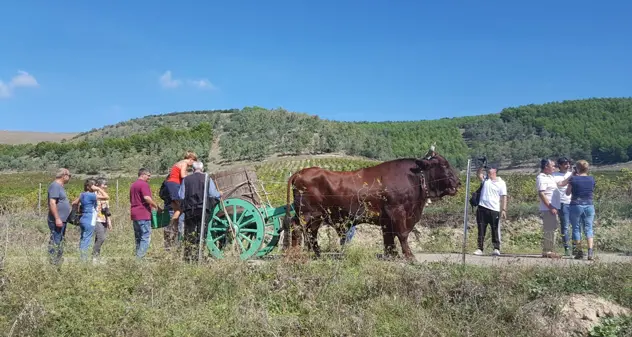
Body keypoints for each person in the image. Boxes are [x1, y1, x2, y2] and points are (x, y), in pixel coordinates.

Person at [177, 161, 221, 262]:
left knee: (189, 232)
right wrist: (220, 194)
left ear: (192, 169)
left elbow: (181, 196)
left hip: (189, 210)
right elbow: (213, 194)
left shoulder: (186, 179)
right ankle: (199, 256)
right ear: (202, 169)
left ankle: (188, 257)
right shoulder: (206, 178)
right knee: (201, 232)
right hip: (202, 209)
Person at [163, 151, 197, 250]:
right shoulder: (184, 163)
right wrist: (192, 177)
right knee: (181, 208)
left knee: (176, 209)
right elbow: (182, 175)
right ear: (191, 159)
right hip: (174, 185)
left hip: (170, 185)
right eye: (193, 163)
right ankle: (171, 224)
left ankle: (172, 225)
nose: (192, 165)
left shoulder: (179, 163)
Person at [473, 162, 508, 256]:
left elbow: (504, 196)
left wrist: (503, 209)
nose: (489, 170)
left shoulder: (501, 183)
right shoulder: (485, 180)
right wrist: (481, 166)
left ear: (495, 171)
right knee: (481, 229)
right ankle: (480, 248)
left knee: (495, 229)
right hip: (482, 208)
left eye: (491, 169)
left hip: (494, 209)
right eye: (488, 169)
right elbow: (478, 174)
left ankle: (496, 248)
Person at [566, 160, 596, 260]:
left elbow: (567, 193)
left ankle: (579, 251)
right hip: (589, 204)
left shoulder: (573, 179)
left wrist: (573, 177)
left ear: (577, 168)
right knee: (589, 228)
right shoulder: (591, 179)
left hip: (576, 204)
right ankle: (590, 251)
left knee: (576, 228)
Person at [74, 178, 109, 262]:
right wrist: (99, 189)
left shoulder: (82, 194)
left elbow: (74, 203)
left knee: (83, 238)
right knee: (86, 239)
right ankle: (83, 260)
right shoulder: (91, 195)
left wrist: (79, 211)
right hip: (90, 219)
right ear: (90, 186)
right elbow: (106, 197)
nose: (96, 187)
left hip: (83, 218)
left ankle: (82, 257)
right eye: (95, 185)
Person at [130, 168, 161, 259]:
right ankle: (139, 258)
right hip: (143, 214)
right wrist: (156, 206)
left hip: (134, 214)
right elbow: (147, 198)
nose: (149, 178)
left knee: (138, 237)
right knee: (145, 236)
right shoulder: (144, 184)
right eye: (148, 175)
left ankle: (138, 255)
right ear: (143, 174)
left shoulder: (133, 185)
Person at [46, 168, 72, 265]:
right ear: (64, 175)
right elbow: (52, 203)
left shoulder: (60, 186)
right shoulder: (55, 186)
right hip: (57, 220)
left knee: (60, 240)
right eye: (69, 175)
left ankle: (58, 261)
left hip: (62, 220)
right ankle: (53, 262)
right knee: (55, 241)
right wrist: (57, 218)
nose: (70, 178)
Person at [553, 157, 573, 256]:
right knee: (565, 226)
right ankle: (567, 248)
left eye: (568, 163)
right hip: (562, 202)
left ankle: (577, 247)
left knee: (575, 226)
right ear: (560, 165)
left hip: (574, 202)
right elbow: (560, 184)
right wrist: (572, 176)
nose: (567, 165)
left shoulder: (572, 174)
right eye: (565, 164)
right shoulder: (554, 175)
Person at [93, 177, 112, 262]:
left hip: (103, 219)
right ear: (98, 185)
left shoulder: (104, 194)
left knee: (98, 239)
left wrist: (109, 221)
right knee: (101, 238)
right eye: (104, 184)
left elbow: (107, 209)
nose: (106, 186)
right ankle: (94, 257)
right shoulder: (94, 194)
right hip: (96, 219)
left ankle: (97, 256)